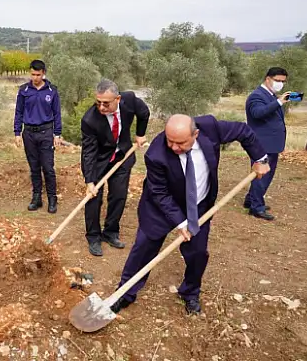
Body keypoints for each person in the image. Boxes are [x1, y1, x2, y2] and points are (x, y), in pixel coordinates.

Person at [111, 115, 269, 315]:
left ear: (196, 134)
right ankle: (124, 293)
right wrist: (180, 222)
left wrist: (260, 158)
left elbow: (243, 131)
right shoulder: (156, 154)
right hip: (159, 208)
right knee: (143, 249)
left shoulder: (210, 127)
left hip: (198, 206)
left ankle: (190, 292)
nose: (174, 147)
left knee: (197, 254)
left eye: (181, 143)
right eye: (170, 141)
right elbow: (159, 193)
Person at [80, 79, 150, 256]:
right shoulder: (89, 120)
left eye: (106, 103)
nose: (101, 107)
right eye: (98, 102)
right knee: (93, 198)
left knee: (119, 195)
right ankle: (93, 236)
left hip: (123, 156)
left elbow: (144, 112)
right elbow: (88, 152)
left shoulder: (130, 100)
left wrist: (140, 134)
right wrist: (89, 181)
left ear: (118, 99)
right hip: (99, 160)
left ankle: (110, 232)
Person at [14, 59, 62, 214]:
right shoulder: (24, 90)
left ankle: (52, 198)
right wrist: (16, 132)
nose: (35, 78)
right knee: (34, 167)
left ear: (44, 73)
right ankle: (36, 198)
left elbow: (57, 113)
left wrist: (58, 133)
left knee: (48, 167)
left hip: (46, 133)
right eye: (33, 74)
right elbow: (19, 112)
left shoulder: (51, 90)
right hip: (28, 133)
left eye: (38, 75)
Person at [244, 67, 290, 221]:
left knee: (264, 174)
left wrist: (278, 101)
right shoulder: (256, 96)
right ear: (267, 78)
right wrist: (278, 102)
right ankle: (256, 208)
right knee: (262, 175)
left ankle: (251, 200)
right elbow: (258, 113)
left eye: (283, 81)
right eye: (278, 80)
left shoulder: (270, 95)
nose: (280, 84)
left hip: (270, 143)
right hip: (261, 143)